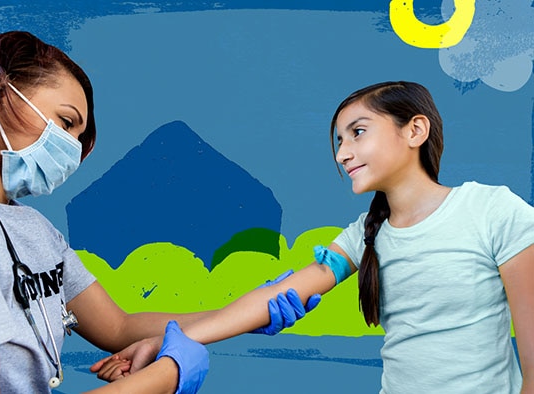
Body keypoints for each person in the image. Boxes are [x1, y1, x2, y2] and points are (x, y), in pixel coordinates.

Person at [0, 31, 321, 394]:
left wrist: (246, 312)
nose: (72, 151)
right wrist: (163, 378)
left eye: (79, 138)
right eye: (66, 122)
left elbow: (118, 327)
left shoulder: (34, 228)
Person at [95, 81, 534, 394]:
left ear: (414, 131)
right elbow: (272, 296)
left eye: (358, 132)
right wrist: (173, 339)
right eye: (339, 141)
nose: (343, 153)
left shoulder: (491, 210)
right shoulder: (364, 235)